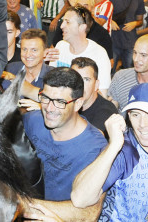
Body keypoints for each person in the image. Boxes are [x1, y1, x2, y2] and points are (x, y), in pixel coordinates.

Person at [72, 83, 148, 221]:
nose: (142, 124)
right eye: (136, 114)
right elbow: (80, 199)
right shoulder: (125, 152)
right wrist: (113, 145)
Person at [21, 67, 107, 201]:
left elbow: (89, 211)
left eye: (60, 102)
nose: (49, 108)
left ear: (78, 103)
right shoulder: (32, 121)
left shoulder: (95, 149)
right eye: (45, 98)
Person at [49, 6, 111, 94]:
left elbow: (102, 93)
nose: (62, 26)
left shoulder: (99, 54)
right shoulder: (60, 46)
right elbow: (52, 82)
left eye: (68, 22)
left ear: (82, 27)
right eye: (63, 21)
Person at [107, 0, 145, 71]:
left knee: (131, 72)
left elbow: (140, 21)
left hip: (130, 42)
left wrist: (135, 23)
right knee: (110, 70)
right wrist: (110, 21)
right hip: (113, 41)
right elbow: (102, 17)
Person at [70, 57, 117, 134]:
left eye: (86, 80)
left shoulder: (106, 111)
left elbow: (91, 140)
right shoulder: (64, 103)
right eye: (75, 79)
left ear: (96, 85)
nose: (80, 85)